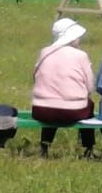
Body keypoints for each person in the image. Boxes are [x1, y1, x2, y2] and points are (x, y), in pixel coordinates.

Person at [31, 18, 95, 157]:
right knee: (90, 106)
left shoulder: (44, 52)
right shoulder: (81, 55)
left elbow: (35, 76)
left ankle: (44, 146)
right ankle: (88, 148)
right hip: (73, 112)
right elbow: (90, 87)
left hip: (41, 110)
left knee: (52, 103)